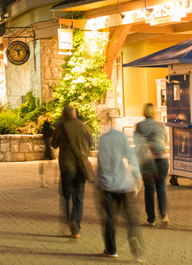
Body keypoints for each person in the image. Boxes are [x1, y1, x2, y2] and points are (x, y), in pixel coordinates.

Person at [97, 110, 144, 262]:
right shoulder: (121, 136)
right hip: (125, 183)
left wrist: (100, 181)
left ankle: (111, 249)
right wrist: (137, 174)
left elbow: (103, 163)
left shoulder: (103, 139)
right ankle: (135, 244)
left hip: (108, 184)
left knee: (109, 218)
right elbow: (131, 155)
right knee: (130, 217)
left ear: (104, 123)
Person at [51, 105, 92, 238]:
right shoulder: (84, 126)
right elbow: (90, 143)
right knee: (78, 198)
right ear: (75, 114)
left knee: (66, 196)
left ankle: (67, 223)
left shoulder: (60, 127)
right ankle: (76, 226)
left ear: (64, 115)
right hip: (81, 166)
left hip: (66, 167)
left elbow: (53, 144)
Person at [134, 103, 169, 226]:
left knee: (149, 189)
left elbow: (137, 143)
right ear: (154, 112)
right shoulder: (160, 125)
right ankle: (163, 215)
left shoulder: (139, 126)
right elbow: (165, 139)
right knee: (161, 187)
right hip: (162, 159)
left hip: (148, 162)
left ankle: (151, 219)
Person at [39, 120, 55, 188]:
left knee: (43, 165)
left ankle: (43, 181)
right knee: (52, 165)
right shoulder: (50, 131)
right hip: (49, 150)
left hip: (46, 149)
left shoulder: (44, 132)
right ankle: (54, 179)